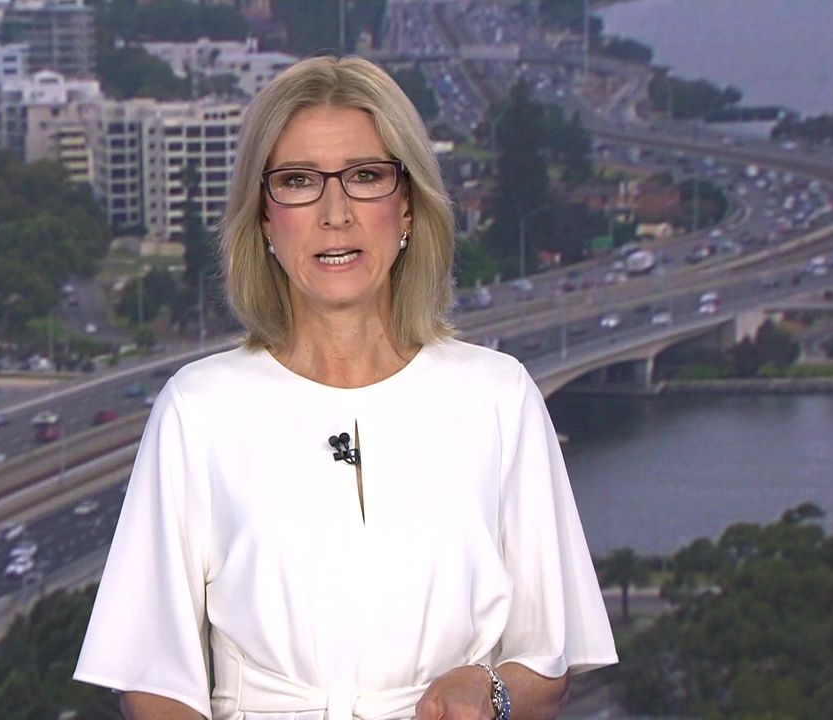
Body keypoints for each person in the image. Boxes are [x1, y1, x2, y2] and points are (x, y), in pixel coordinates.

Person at [74, 55, 616, 720]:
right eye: (298, 181)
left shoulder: (500, 397)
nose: (335, 214)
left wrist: (488, 691)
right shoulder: (199, 408)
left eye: (365, 177)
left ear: (407, 205)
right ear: (265, 218)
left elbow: (548, 666)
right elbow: (151, 680)